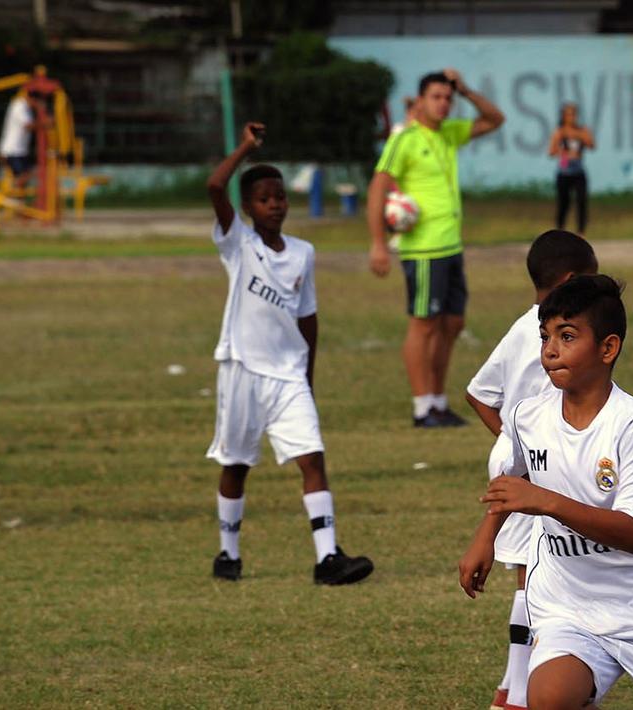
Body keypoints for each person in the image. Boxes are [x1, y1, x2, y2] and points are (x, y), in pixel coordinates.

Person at [458, 275, 633, 709]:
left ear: (608, 348)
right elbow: (514, 480)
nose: (550, 350)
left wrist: (548, 503)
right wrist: (484, 538)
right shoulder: (528, 416)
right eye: (545, 337)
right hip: (569, 607)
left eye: (567, 336)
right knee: (549, 698)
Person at [205, 121, 373, 585]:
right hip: (242, 370)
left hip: (288, 374)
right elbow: (215, 185)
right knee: (236, 464)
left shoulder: (303, 253)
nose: (275, 204)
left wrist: (308, 376)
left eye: (280, 196)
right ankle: (227, 553)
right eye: (264, 198)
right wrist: (245, 147)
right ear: (247, 208)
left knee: (312, 457)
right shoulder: (239, 244)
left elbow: (308, 318)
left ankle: (328, 558)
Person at [464, 230, 597, 710]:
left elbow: (478, 393)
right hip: (530, 468)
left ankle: (512, 687)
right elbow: (480, 396)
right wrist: (518, 443)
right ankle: (518, 696)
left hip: (529, 461)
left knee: (542, 572)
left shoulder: (526, 326)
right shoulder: (550, 332)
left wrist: (509, 439)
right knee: (533, 579)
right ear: (571, 280)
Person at [367, 69, 504, 428]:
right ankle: (422, 407)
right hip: (424, 250)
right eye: (436, 97)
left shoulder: (449, 133)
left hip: (450, 245)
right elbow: (378, 188)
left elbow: (495, 119)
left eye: (448, 98)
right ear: (421, 100)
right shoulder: (406, 140)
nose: (443, 104)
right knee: (424, 325)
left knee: (453, 323)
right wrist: (379, 243)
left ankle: (439, 402)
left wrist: (466, 89)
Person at [548, 103, 593, 236]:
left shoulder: (582, 131)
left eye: (574, 114)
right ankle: (560, 231)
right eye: (569, 115)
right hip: (564, 172)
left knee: (581, 201)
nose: (572, 117)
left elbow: (591, 145)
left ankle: (581, 232)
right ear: (564, 116)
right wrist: (564, 153)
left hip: (578, 172)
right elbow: (551, 151)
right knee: (564, 203)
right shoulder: (559, 132)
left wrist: (580, 136)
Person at [0, 89, 36, 188]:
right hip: (12, 151)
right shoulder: (19, 106)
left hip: (19, 151)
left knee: (25, 177)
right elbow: (27, 125)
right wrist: (45, 124)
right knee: (23, 176)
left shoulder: (26, 107)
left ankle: (15, 193)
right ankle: (11, 194)